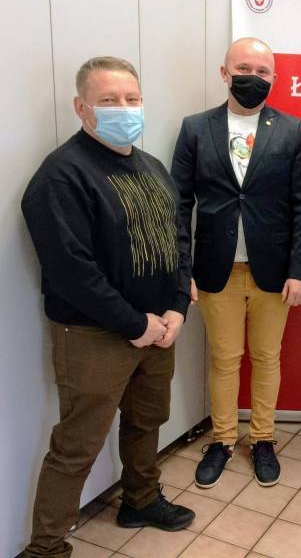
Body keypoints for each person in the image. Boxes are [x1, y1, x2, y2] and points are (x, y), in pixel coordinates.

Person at [21, 56, 196, 558]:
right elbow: (71, 270)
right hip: (94, 334)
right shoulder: (61, 176)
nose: (124, 108)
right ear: (82, 108)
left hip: (159, 329)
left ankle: (140, 500)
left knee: (147, 421)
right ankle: (46, 548)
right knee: (77, 445)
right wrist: (133, 322)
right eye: (109, 100)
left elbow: (178, 240)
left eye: (131, 98)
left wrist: (177, 307)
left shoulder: (152, 167)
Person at [171, 37, 301, 489]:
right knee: (224, 358)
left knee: (267, 357)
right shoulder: (196, 128)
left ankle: (262, 439)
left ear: (274, 78)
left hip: (273, 270)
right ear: (224, 73)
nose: (252, 77)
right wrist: (182, 271)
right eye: (243, 69)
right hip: (217, 269)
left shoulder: (291, 130)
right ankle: (221, 440)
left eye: (262, 71)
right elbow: (178, 204)